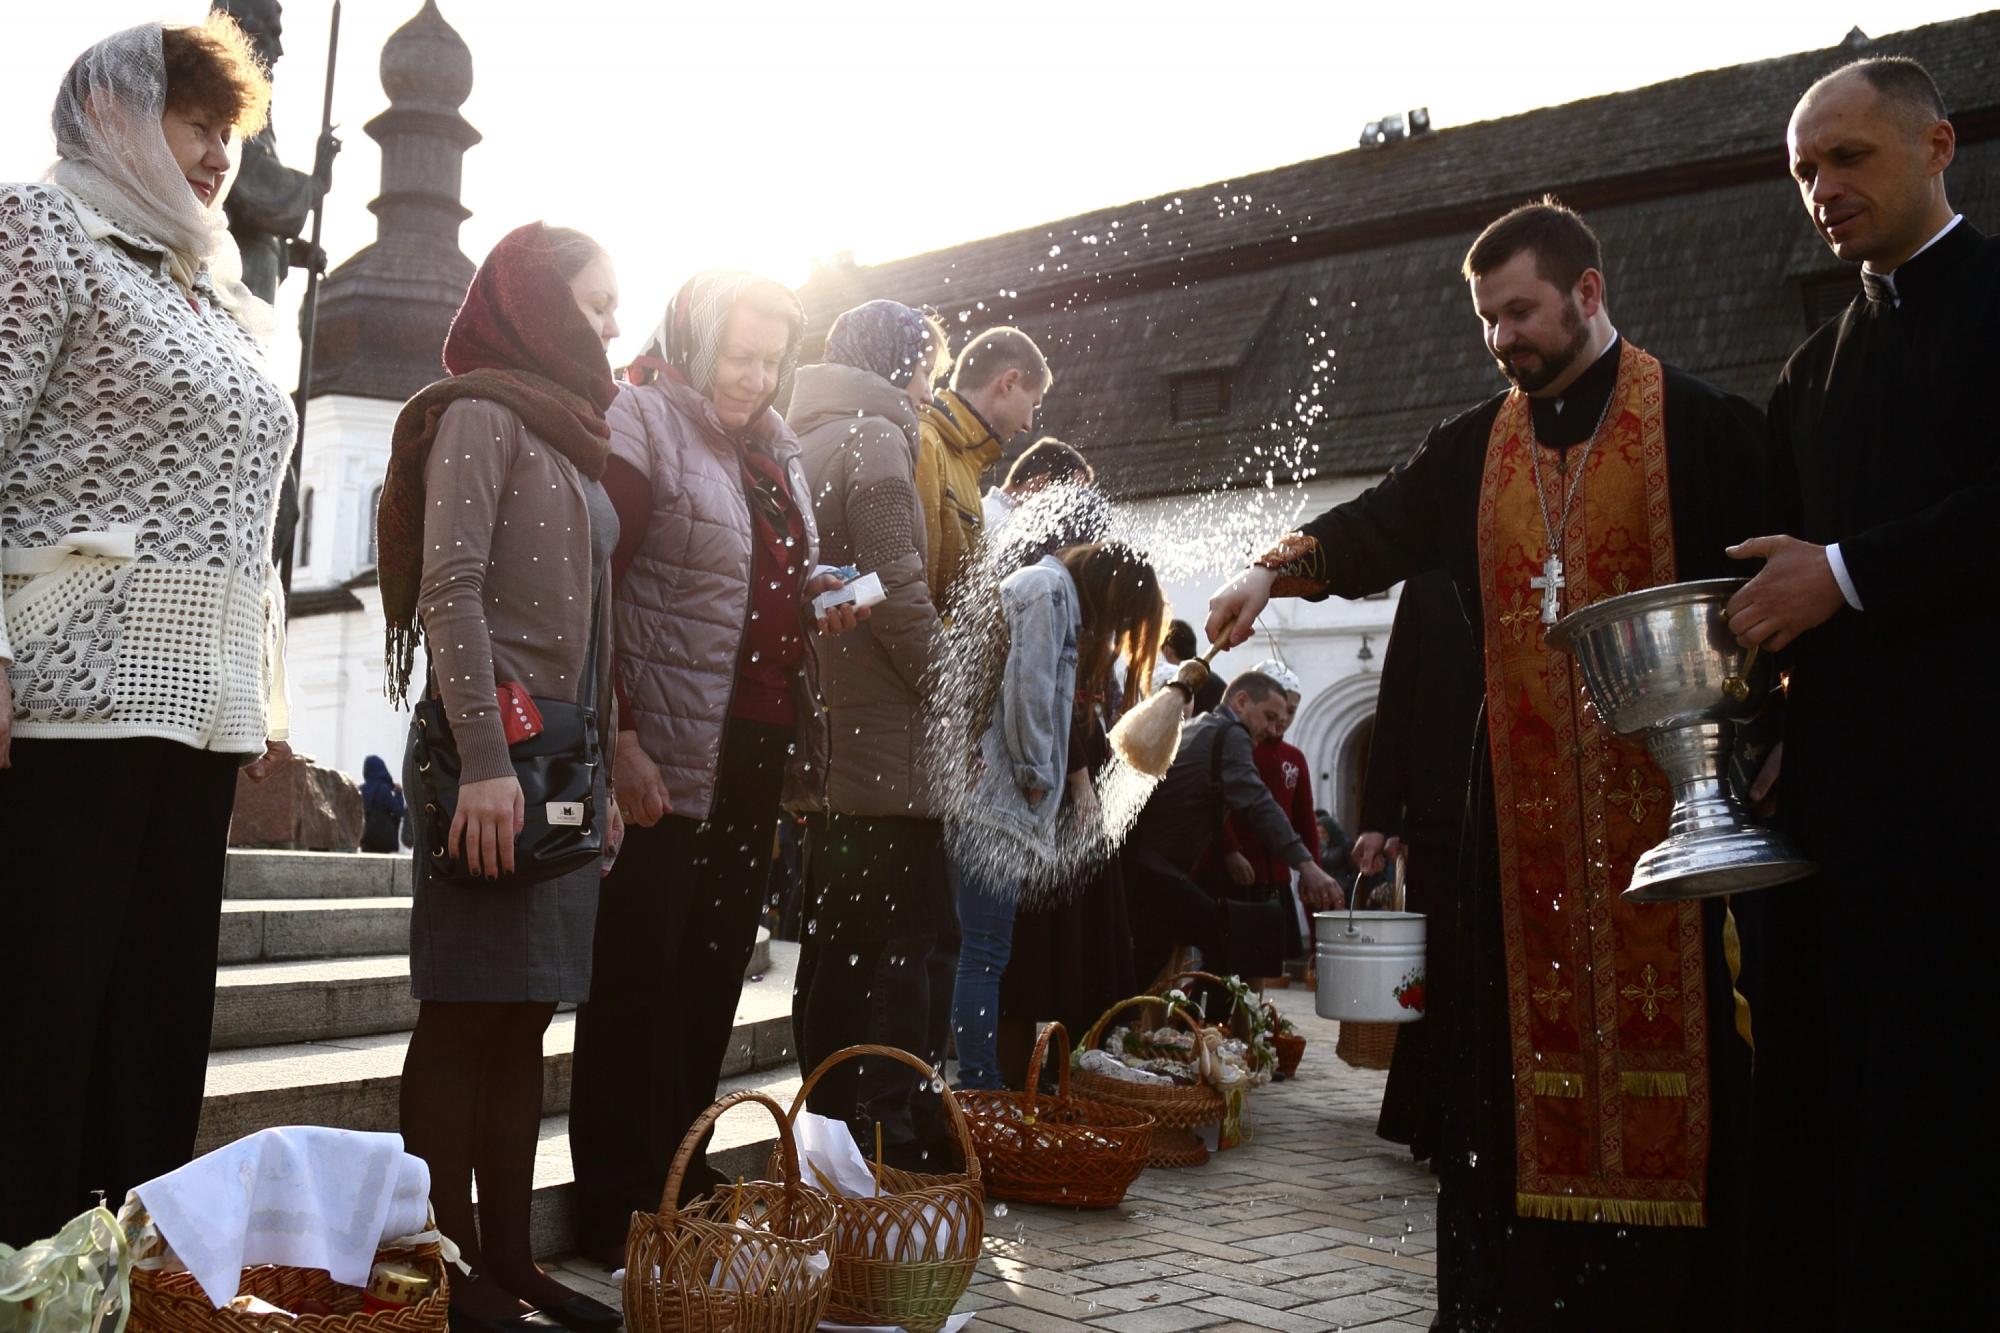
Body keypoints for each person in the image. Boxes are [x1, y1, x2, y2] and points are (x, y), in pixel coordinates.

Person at [1206, 198, 1766, 1331]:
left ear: (1586, 294)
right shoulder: (1479, 444)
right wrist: (1267, 575)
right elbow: (1372, 526)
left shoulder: (1702, 428)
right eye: (1484, 319)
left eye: (1519, 310)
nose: (1502, 336)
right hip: (1511, 832)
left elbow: (1769, 593)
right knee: (1500, 1077)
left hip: (1669, 818)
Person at [0, 16, 297, 1247]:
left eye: (229, 131)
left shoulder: (211, 288)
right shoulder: (41, 226)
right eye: (193, 122)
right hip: (67, 697)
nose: (217, 154)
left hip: (195, 704)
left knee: (153, 1032)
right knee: (38, 1024)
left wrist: (257, 705)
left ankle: (111, 1283)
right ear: (117, 115)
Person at [1724, 57, 1999, 1328]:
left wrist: (1845, 572)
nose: (1821, 189)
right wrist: (1762, 724)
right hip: (1838, 820)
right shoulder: (1803, 373)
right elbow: (1778, 586)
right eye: (1802, 171)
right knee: (1831, 1119)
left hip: (1968, 800)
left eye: (1848, 157)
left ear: (1935, 144)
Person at [568, 270, 859, 1260]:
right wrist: (621, 736)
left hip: (755, 743)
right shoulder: (643, 417)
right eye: (739, 354)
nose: (755, 375)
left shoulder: (773, 454)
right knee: (637, 974)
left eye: (771, 359)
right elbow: (597, 579)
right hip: (669, 736)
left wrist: (820, 588)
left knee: (711, 974)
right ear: (694, 341)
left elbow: (754, 573)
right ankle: (614, 1199)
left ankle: (679, 1180)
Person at [379, 222, 623, 1331]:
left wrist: (604, 774)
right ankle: (443, 1269)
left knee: (525, 1016)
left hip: (563, 753)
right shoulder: (480, 412)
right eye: (594, 298)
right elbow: (451, 589)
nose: (613, 319)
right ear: (537, 300)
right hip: (492, 755)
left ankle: (512, 1261)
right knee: (465, 1012)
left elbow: (598, 626)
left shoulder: (566, 429)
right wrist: (484, 761)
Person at [785, 299, 960, 1166]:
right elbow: (896, 582)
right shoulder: (877, 436)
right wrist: (955, 685)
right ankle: (885, 1136)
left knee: (835, 948)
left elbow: (839, 589)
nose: (932, 388)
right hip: (888, 748)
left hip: (833, 742)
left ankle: (826, 1131)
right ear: (899, 365)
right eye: (928, 367)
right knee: (901, 946)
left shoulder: (807, 434)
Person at [949, 543, 1165, 1090]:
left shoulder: (1054, 592)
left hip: (997, 797)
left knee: (983, 950)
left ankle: (979, 1081)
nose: (1113, 628)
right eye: (1120, 615)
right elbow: (1031, 692)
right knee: (984, 952)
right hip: (996, 801)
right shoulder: (1047, 593)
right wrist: (1035, 776)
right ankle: (979, 1084)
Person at [1352, 569, 1484, 1164]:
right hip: (1443, 812)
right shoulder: (1434, 576)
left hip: (1531, 798)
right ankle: (1437, 1124)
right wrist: (1381, 816)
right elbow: (1398, 693)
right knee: (1448, 969)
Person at [1124, 671, 1345, 987]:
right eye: (1269, 716)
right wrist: (1306, 864)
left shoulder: (1202, 726)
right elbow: (1257, 802)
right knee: (1230, 938)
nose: (1272, 729)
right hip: (1157, 868)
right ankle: (1200, 1027)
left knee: (1150, 960)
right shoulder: (1231, 733)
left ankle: (1117, 1029)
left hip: (1147, 865)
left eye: (1280, 720)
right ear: (1241, 702)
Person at [917, 325, 1052, 613]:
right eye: (1033, 404)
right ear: (1009, 382)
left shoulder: (964, 459)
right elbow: (914, 593)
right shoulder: (929, 445)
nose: (1030, 424)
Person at [1214, 660, 1320, 899]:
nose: (1282, 720)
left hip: (1278, 875)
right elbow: (1220, 803)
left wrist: (1311, 866)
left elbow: (1304, 819)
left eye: (1291, 712)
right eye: (1273, 714)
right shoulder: (1239, 746)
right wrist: (1230, 850)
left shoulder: (1294, 757)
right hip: (1239, 870)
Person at [981, 435, 1093, 536]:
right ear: (1040, 483)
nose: (1071, 507)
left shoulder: (991, 516)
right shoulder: (995, 523)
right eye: (1068, 495)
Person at [360, 754, 408, 853]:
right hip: (384, 841)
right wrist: (399, 794)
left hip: (365, 839)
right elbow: (399, 811)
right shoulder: (383, 789)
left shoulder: (361, 790)